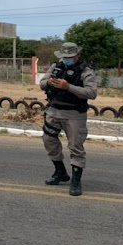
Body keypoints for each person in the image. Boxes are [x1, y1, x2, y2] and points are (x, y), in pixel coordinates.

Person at [39, 42, 97, 196]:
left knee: (75, 146)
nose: (66, 60)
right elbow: (42, 83)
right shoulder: (55, 67)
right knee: (48, 140)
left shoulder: (86, 71)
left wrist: (68, 87)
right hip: (54, 111)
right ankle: (60, 172)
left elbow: (91, 93)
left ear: (77, 56)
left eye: (70, 57)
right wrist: (49, 82)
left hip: (74, 114)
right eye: (64, 57)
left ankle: (76, 181)